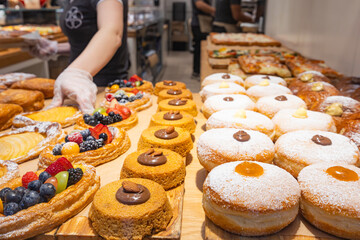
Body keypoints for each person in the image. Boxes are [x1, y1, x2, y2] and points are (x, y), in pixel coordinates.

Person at [26, 0, 129, 114]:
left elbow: (112, 32)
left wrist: (77, 73)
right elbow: (85, 43)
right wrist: (55, 48)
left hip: (105, 88)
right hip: (76, 90)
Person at [191, 0, 215, 79]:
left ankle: (197, 72)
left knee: (200, 49)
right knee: (200, 49)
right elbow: (200, 4)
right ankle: (197, 72)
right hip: (199, 24)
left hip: (202, 23)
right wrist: (215, 11)